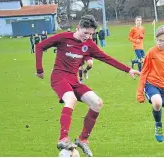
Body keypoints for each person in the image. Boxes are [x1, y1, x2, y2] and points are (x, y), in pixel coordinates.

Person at [35, 15, 140, 157]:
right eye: (86, 33)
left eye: (91, 34)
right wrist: (39, 69)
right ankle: (63, 138)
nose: (88, 36)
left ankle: (82, 139)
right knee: (70, 99)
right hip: (59, 77)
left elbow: (106, 58)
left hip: (74, 80)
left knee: (97, 103)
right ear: (78, 28)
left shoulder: (89, 44)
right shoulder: (63, 37)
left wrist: (128, 69)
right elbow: (40, 46)